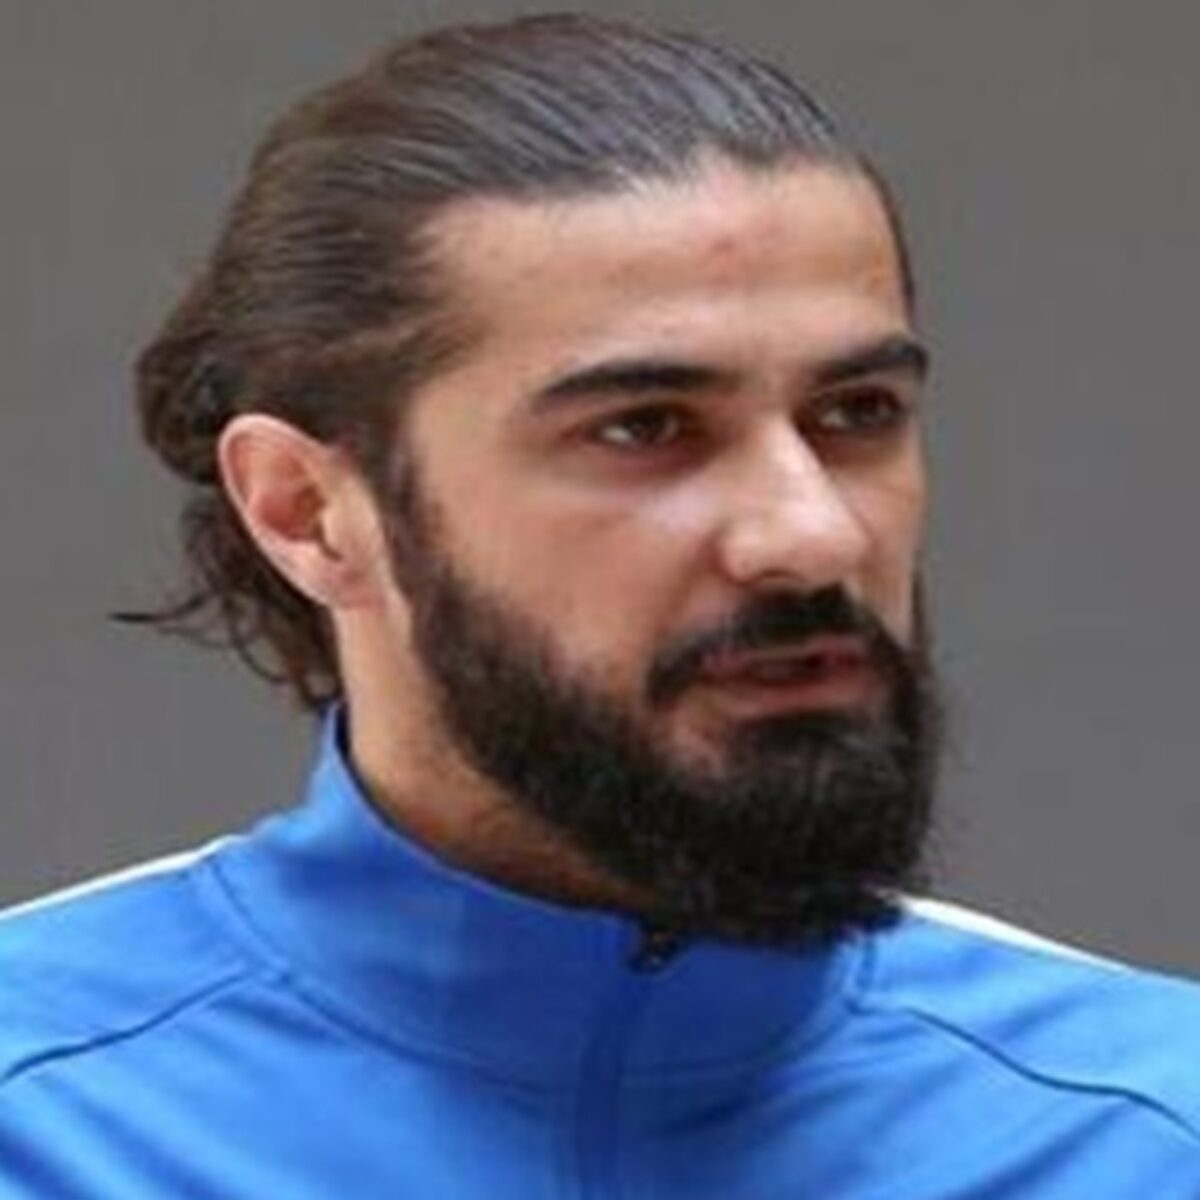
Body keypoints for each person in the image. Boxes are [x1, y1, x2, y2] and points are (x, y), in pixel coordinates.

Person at [2, 12, 1198, 1196]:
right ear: (309, 512)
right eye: (644, 428)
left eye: (857, 414)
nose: (813, 535)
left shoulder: (1148, 1131)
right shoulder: (41, 1114)